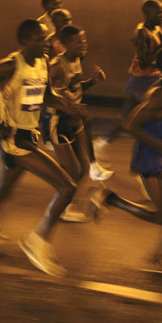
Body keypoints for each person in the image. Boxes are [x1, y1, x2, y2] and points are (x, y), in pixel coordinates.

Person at [0, 20, 83, 276]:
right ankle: (37, 242)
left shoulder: (43, 63)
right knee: (67, 187)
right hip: (14, 140)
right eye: (40, 39)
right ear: (25, 42)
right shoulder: (10, 66)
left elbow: (46, 94)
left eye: (46, 39)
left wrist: (68, 106)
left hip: (29, 136)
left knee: (0, 191)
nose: (46, 43)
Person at [90, 46, 162, 275]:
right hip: (149, 160)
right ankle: (110, 199)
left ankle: (158, 258)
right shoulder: (158, 97)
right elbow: (130, 125)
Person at [48, 25, 113, 222]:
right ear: (66, 45)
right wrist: (66, 105)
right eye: (78, 42)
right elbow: (47, 94)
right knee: (73, 171)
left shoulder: (75, 61)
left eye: (84, 41)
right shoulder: (57, 65)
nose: (83, 45)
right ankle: (60, 206)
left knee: (83, 168)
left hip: (74, 121)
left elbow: (75, 87)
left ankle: (68, 205)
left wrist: (93, 81)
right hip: (59, 123)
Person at [95, 0, 162, 150]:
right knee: (146, 115)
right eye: (158, 12)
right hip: (142, 79)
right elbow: (143, 62)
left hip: (153, 77)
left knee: (131, 117)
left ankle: (102, 142)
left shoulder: (157, 30)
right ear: (148, 14)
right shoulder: (143, 33)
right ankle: (157, 148)